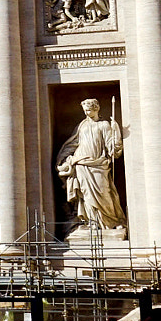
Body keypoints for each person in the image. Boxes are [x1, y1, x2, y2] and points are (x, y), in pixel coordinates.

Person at [56, 99, 126, 231]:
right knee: (86, 194)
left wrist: (116, 134)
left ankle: (111, 221)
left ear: (96, 109)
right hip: (81, 163)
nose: (87, 113)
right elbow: (73, 143)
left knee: (104, 192)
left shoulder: (104, 125)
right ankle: (91, 222)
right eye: (85, 111)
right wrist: (63, 159)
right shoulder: (82, 125)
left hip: (98, 164)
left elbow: (112, 148)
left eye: (89, 110)